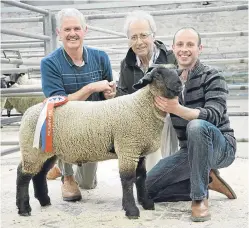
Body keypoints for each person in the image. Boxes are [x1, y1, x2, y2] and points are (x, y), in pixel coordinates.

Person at [145, 27, 237, 222]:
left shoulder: (213, 76)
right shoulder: (169, 80)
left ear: (199, 48)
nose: (184, 49)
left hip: (220, 147)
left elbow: (212, 116)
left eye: (190, 44)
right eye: (180, 44)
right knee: (145, 190)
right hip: (189, 151)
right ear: (172, 48)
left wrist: (176, 108)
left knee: (197, 125)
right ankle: (206, 179)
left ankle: (199, 198)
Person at [41, 8, 116, 202]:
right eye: (67, 29)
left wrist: (110, 93)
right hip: (67, 125)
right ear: (58, 33)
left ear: (85, 30)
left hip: (95, 124)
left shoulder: (101, 57)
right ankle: (66, 175)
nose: (72, 33)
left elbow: (110, 95)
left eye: (77, 28)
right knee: (60, 119)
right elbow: (57, 104)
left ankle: (59, 165)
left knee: (88, 184)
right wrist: (90, 88)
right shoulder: (49, 63)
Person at [116, 10, 178, 170]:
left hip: (168, 115)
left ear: (153, 36)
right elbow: (122, 97)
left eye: (144, 35)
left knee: (160, 121)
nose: (139, 42)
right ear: (128, 40)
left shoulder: (171, 59)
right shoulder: (126, 63)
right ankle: (151, 176)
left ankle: (158, 174)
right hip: (139, 120)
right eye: (133, 37)